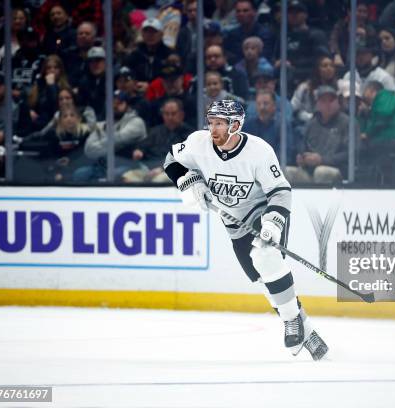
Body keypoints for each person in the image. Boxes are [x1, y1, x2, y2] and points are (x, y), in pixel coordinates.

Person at [162, 100, 328, 360]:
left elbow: (281, 191)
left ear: (236, 125)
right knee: (265, 284)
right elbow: (171, 158)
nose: (213, 129)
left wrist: (273, 223)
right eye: (211, 122)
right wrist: (188, 180)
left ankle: (291, 322)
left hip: (263, 212)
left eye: (220, 123)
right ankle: (306, 330)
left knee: (265, 257)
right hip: (234, 224)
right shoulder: (198, 143)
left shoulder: (259, 151)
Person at [286, 85, 352, 185]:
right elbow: (303, 147)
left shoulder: (347, 123)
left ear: (338, 102)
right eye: (323, 101)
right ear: (317, 104)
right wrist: (302, 158)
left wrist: (322, 160)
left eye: (331, 100)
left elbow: (350, 153)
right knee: (287, 172)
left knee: (321, 172)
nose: (328, 104)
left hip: (338, 171)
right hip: (310, 171)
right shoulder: (312, 123)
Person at [122, 98, 193, 183]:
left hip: (173, 171)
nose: (170, 117)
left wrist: (161, 169)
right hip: (149, 168)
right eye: (166, 114)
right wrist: (139, 150)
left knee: (158, 181)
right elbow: (143, 144)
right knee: (127, 177)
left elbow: (182, 159)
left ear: (181, 115)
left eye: (173, 114)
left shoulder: (190, 135)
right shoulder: (156, 131)